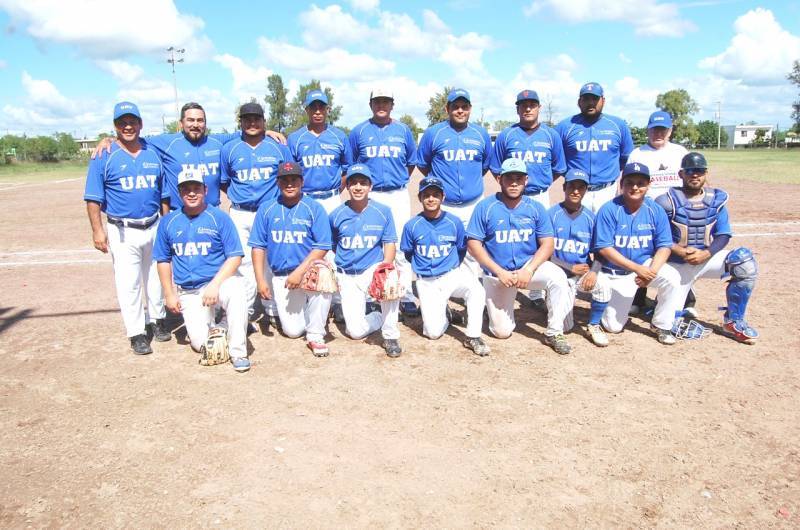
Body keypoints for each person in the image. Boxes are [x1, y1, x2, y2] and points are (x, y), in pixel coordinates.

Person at [91, 102, 286, 214]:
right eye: (190, 120)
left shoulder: (218, 141)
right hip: (180, 213)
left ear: (206, 123)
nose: (195, 124)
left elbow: (248, 131)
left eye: (200, 120)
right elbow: (133, 138)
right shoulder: (166, 142)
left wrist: (266, 131)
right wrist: (109, 139)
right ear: (181, 123)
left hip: (212, 212)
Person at [83, 101, 168, 355]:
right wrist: (98, 230)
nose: (128, 126)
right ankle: (136, 333)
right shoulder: (104, 155)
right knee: (128, 282)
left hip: (153, 224)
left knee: (156, 278)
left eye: (132, 122)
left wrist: (164, 223)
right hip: (122, 229)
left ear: (141, 124)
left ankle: (158, 320)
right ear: (115, 126)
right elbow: (93, 198)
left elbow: (162, 192)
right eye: (122, 123)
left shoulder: (152, 151)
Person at [466, 158, 573, 355]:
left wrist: (530, 269)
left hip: (527, 268)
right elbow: (473, 244)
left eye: (519, 178)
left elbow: (548, 243)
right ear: (499, 179)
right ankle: (490, 309)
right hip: (498, 274)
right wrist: (499, 272)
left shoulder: (535, 208)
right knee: (501, 332)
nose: (514, 183)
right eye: (509, 178)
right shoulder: (486, 207)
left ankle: (554, 331)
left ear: (526, 180)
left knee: (558, 278)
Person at [655, 152, 759, 344]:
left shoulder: (716, 200)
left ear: (706, 173)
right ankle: (662, 306)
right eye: (690, 171)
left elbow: (723, 234)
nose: (695, 175)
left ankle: (734, 320)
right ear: (681, 174)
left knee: (744, 261)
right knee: (668, 324)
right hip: (675, 265)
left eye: (700, 171)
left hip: (705, 259)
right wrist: (680, 251)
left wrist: (707, 253)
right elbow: (658, 236)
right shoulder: (666, 201)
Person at [153, 169, 250, 372]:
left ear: (205, 190)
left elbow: (235, 257)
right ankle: (222, 326)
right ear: (179, 192)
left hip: (218, 281)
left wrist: (214, 285)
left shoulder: (218, 218)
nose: (191, 193)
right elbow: (163, 260)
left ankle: (238, 352)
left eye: (196, 188)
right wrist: (169, 294)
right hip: (189, 289)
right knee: (202, 345)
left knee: (238, 290)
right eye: (186, 189)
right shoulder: (168, 222)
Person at [491, 88, 567, 310]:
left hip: (539, 195)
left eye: (532, 105)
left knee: (540, 242)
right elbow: (496, 168)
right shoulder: (507, 135)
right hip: (511, 199)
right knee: (512, 238)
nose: (528, 108)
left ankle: (535, 292)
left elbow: (559, 167)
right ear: (517, 109)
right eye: (523, 105)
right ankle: (506, 282)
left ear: (539, 108)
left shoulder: (551, 135)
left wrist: (542, 183)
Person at [249, 162, 334, 357]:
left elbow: (322, 246)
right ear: (278, 183)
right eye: (284, 180)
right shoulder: (267, 208)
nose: (289, 184)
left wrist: (299, 272)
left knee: (324, 274)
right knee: (293, 332)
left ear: (302, 181)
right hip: (282, 276)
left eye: (294, 179)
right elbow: (258, 246)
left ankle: (316, 334)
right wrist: (261, 280)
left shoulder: (314, 207)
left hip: (309, 270)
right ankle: (314, 313)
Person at [348, 88, 419, 317]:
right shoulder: (359, 131)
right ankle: (372, 294)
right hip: (371, 193)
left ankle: (405, 294)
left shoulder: (403, 130)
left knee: (399, 246)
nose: (382, 105)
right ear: (370, 104)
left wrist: (397, 179)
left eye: (386, 101)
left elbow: (411, 163)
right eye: (377, 101)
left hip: (397, 192)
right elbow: (352, 164)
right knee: (370, 244)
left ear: (392, 104)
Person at [593, 162, 682, 344]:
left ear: (648, 185)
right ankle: (610, 304)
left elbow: (664, 245)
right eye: (630, 182)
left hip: (645, 265)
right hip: (616, 273)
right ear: (621, 184)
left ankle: (662, 325)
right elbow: (604, 248)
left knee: (672, 277)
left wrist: (652, 272)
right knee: (613, 327)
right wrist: (638, 269)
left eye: (640, 183)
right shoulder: (609, 209)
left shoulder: (655, 210)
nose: (635, 187)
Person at [220, 102, 293, 325]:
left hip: (269, 211)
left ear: (264, 121)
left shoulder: (278, 147)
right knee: (242, 263)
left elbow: (289, 178)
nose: (252, 123)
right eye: (247, 119)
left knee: (272, 260)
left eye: (256, 119)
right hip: (240, 212)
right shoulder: (229, 148)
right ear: (240, 123)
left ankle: (272, 309)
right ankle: (247, 309)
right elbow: (225, 182)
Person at [400, 177, 489, 356]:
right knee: (433, 333)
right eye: (427, 195)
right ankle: (446, 314)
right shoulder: (412, 225)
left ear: (443, 197)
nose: (431, 199)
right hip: (426, 280)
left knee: (477, 290)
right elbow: (409, 253)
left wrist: (452, 266)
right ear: (420, 198)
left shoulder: (453, 222)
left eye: (435, 194)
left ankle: (473, 336)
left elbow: (461, 249)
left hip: (450, 274)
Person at [329, 164, 403, 357]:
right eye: (353, 183)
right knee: (355, 332)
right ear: (348, 187)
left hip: (372, 268)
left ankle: (390, 335)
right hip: (348, 274)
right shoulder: (336, 215)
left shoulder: (383, 211)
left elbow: (389, 243)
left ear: (370, 186)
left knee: (391, 279)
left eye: (363, 182)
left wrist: (385, 267)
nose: (358, 187)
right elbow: (333, 246)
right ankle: (377, 315)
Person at [627, 110, 693, 315]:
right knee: (642, 252)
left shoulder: (679, 151)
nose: (658, 133)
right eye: (654, 129)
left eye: (663, 130)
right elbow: (628, 181)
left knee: (679, 252)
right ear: (648, 130)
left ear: (670, 130)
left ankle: (686, 299)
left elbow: (691, 179)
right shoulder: (638, 153)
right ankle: (638, 296)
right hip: (645, 211)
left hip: (676, 212)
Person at [546, 169, 612, 347]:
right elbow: (542, 253)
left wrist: (594, 271)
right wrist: (569, 267)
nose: (576, 191)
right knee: (566, 328)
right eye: (572, 186)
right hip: (559, 276)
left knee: (604, 285)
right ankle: (553, 298)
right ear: (564, 187)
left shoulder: (591, 218)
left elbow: (600, 251)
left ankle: (594, 324)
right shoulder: (551, 215)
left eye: (581, 187)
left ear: (586, 190)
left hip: (582, 273)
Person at [415, 88, 493, 229]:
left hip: (474, 204)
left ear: (470, 109)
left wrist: (470, 180)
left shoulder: (481, 133)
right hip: (444, 205)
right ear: (447, 109)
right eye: (455, 107)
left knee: (474, 248)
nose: (460, 111)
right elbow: (422, 164)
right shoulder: (433, 133)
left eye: (464, 107)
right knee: (443, 247)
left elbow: (485, 165)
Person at [556, 82, 634, 213]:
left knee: (608, 230)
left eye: (595, 98)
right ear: (579, 102)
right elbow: (557, 160)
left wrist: (608, 174)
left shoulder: (618, 125)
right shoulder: (565, 126)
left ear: (603, 101)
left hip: (607, 191)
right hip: (577, 191)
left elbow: (626, 158)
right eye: (586, 99)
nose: (590, 102)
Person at [288, 89, 350, 214]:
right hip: (304, 198)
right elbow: (290, 173)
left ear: (327, 110)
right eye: (313, 108)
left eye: (321, 107)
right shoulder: (295, 138)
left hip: (332, 199)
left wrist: (338, 188)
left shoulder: (339, 136)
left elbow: (347, 170)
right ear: (307, 110)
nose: (317, 112)